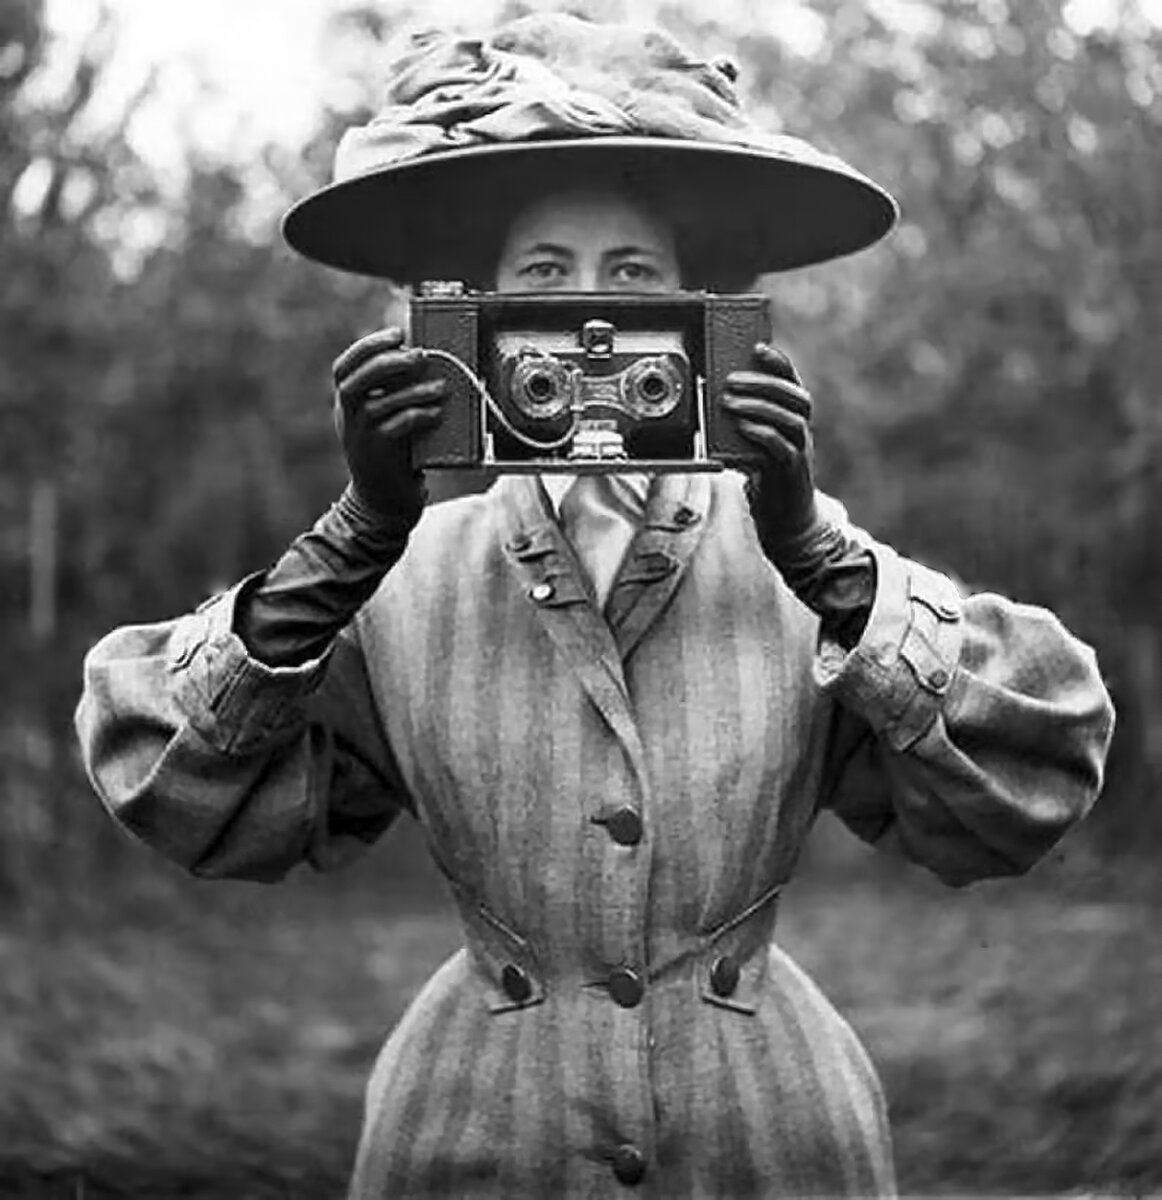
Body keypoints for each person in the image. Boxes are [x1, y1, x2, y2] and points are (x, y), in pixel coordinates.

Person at [75, 16, 1115, 1198]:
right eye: (541, 276)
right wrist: (354, 535)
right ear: (469, 314)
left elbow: (1038, 773)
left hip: (767, 1139)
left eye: (631, 275)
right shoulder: (404, 573)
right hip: (473, 1134)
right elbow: (167, 782)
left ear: (702, 312)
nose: (588, 317)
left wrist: (820, 554)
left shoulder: (800, 567)